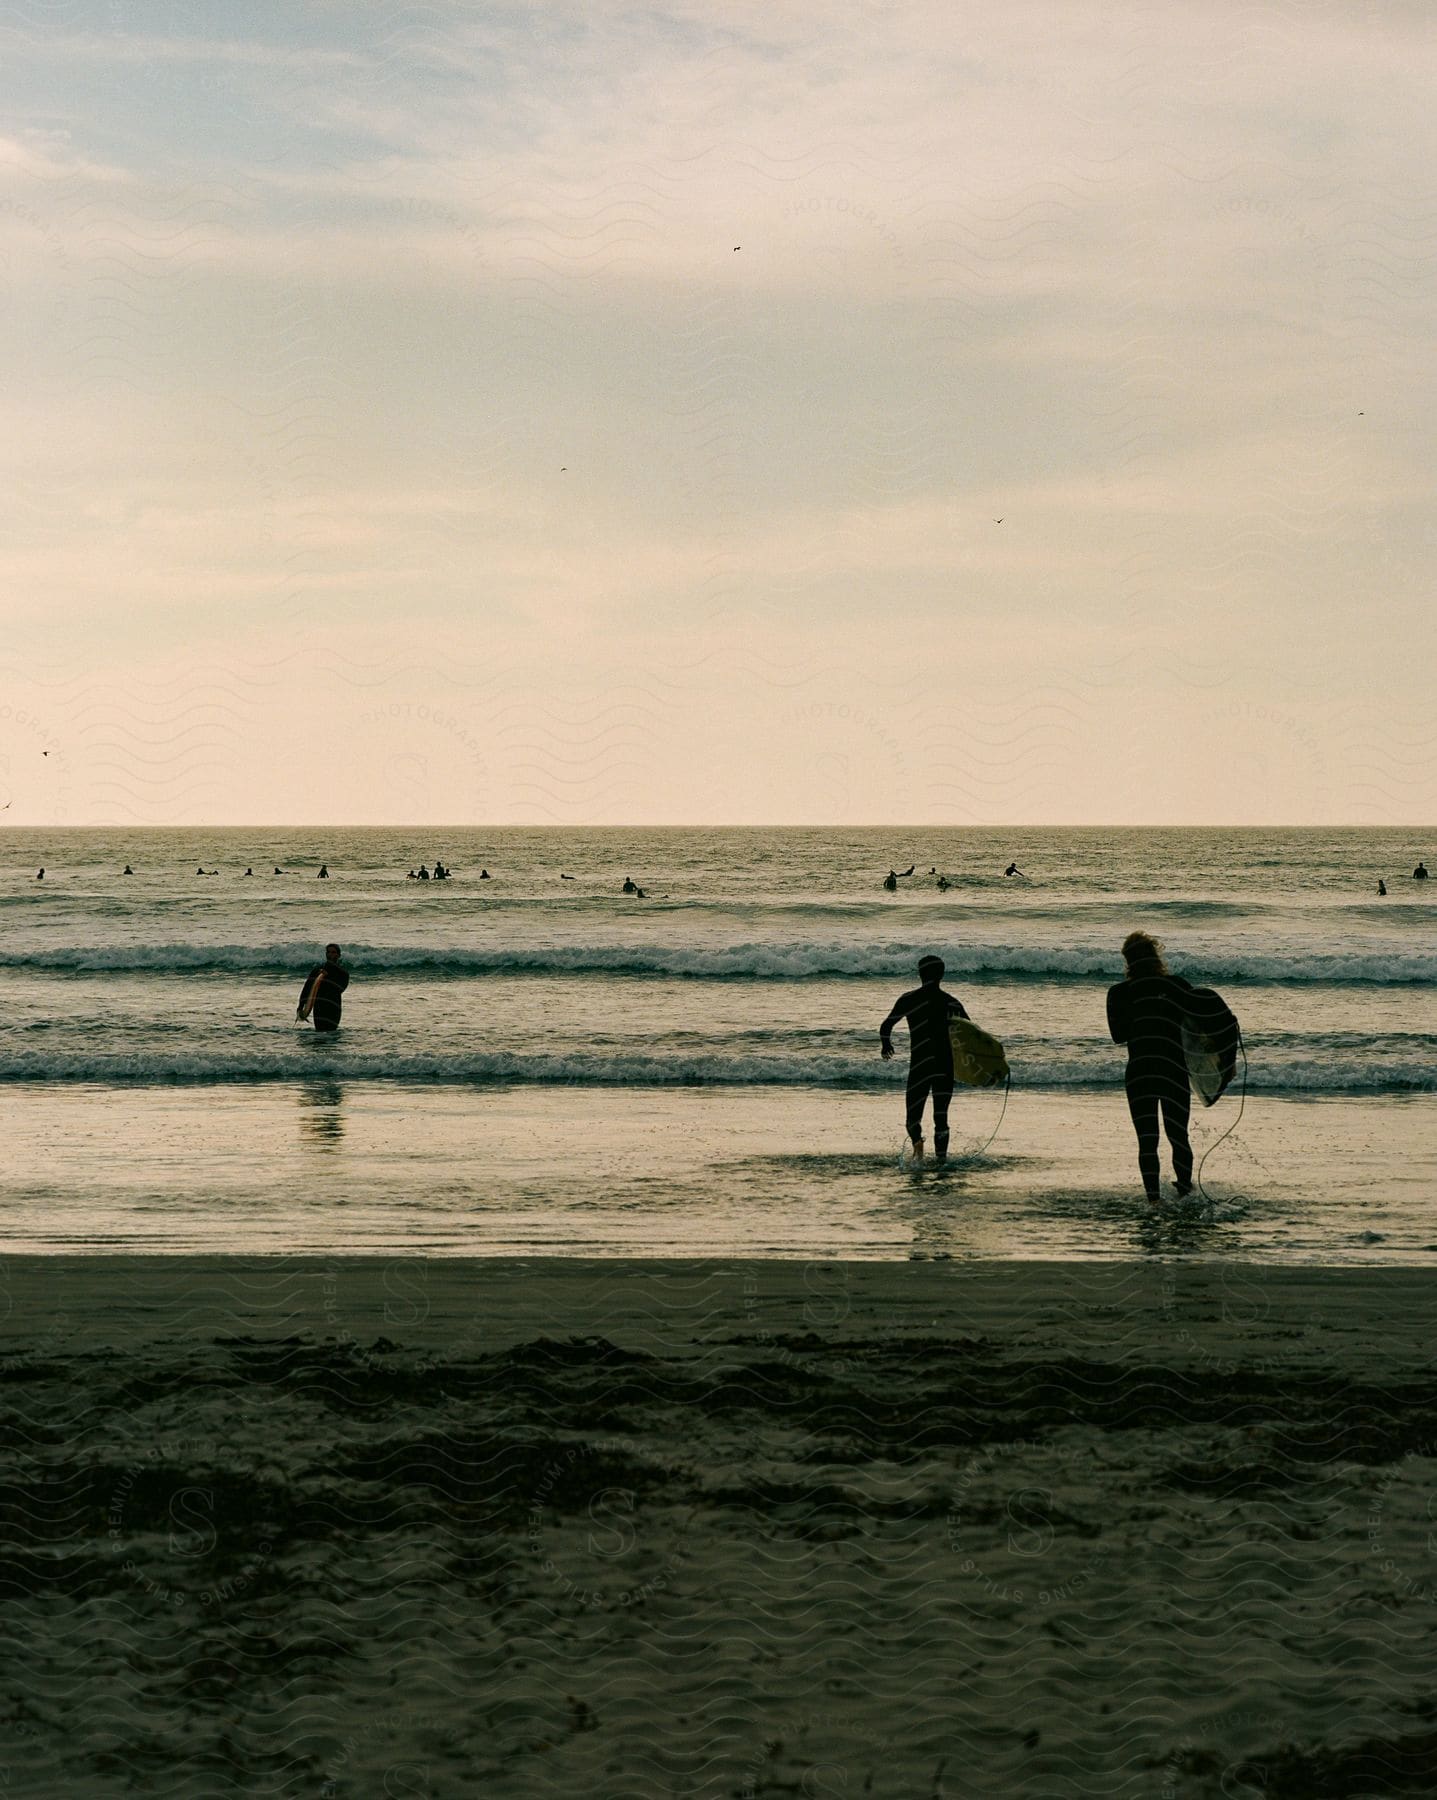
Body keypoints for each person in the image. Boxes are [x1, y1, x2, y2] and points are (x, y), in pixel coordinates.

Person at [1106, 931, 1217, 1205]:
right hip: (1173, 1071)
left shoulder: (1119, 993)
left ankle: (1153, 1202)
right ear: (1156, 956)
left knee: (1147, 1140)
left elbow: (1118, 1036)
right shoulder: (1177, 986)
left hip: (1140, 1072)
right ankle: (1185, 1194)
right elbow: (1205, 1021)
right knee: (1179, 1136)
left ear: (1128, 961)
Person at [880, 955, 969, 1164]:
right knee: (941, 1117)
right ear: (942, 975)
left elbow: (886, 1026)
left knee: (912, 1118)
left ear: (920, 974)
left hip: (920, 1065)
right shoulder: (951, 1003)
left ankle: (918, 1148)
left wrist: (886, 1045)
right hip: (944, 1066)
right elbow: (971, 1035)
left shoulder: (908, 999)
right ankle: (941, 1160)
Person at [297, 944, 350, 1033]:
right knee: (319, 1034)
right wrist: (301, 1006)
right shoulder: (317, 970)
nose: (330, 954)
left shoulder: (343, 973)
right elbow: (307, 988)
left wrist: (327, 977)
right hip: (319, 1006)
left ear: (338, 955)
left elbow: (340, 989)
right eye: (328, 952)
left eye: (333, 952)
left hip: (333, 1006)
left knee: (331, 1035)